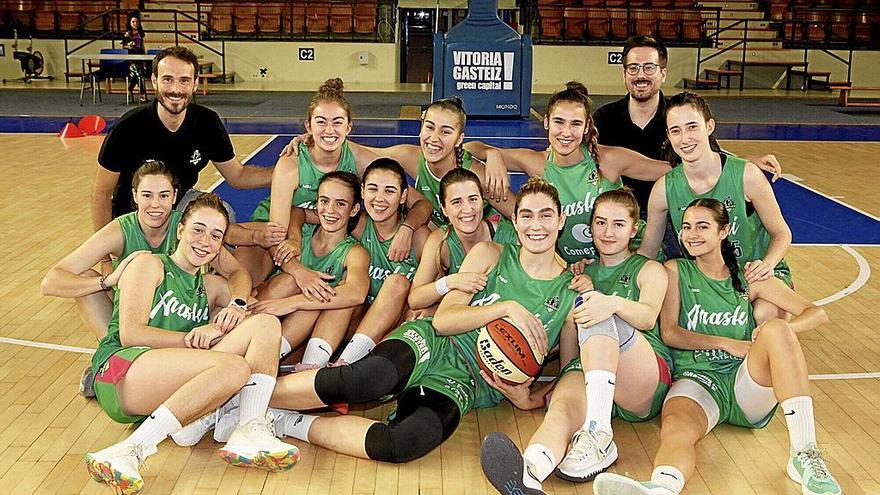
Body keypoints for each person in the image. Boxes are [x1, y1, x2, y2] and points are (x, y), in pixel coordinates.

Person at [227, 178, 577, 465]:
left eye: (546, 216)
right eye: (527, 216)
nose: (536, 226)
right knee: (370, 379)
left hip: (470, 381)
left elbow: (571, 366)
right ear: (514, 222)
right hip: (435, 341)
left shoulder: (571, 291)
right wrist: (507, 308)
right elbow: (444, 320)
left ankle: (284, 420)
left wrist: (530, 398)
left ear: (561, 221)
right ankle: (239, 398)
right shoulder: (489, 254)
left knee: (404, 444)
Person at [594, 198, 840, 495]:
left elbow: (816, 313)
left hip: (744, 382)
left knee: (776, 329)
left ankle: (804, 454)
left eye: (702, 226)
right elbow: (670, 333)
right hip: (696, 379)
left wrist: (778, 330)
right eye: (686, 227)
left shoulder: (747, 277)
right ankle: (662, 487)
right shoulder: (674, 271)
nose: (692, 234)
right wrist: (724, 342)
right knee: (675, 431)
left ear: (723, 231)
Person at [82, 193, 300, 495]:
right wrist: (192, 337)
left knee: (266, 325)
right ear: (180, 230)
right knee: (234, 368)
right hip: (120, 371)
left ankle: (249, 428)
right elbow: (131, 334)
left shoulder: (210, 287)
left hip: (167, 380)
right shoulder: (149, 264)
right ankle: (131, 448)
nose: (205, 241)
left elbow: (248, 295)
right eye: (198, 230)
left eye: (215, 236)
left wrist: (235, 306)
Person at [479, 189, 671, 493]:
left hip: (642, 378)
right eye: (600, 222)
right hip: (595, 381)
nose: (608, 232)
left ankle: (598, 434)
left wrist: (610, 302)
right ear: (589, 226)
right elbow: (571, 363)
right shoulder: (578, 276)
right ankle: (531, 472)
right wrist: (536, 397)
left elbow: (647, 317)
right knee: (562, 410)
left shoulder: (650, 269)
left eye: (619, 224)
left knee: (594, 308)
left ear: (635, 229)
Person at [41, 160, 252, 398]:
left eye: (163, 195)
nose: (155, 205)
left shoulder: (190, 229)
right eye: (147, 195)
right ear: (135, 196)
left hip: (175, 314)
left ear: (174, 197)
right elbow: (51, 282)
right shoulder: (121, 229)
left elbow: (237, 272)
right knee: (86, 280)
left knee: (223, 291)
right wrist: (106, 282)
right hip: (133, 321)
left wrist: (237, 304)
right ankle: (113, 357)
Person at [593, 35, 783, 258]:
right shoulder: (604, 118)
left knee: (683, 270)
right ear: (624, 73)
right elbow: (582, 162)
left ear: (663, 73)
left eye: (649, 67)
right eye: (633, 68)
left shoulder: (678, 116)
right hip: (623, 216)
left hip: (675, 214)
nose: (640, 75)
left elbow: (711, 159)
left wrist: (746, 164)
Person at [228, 78, 431, 286]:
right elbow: (275, 234)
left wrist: (407, 228)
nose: (329, 130)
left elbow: (421, 203)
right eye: (321, 122)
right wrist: (299, 272)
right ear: (308, 125)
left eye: (337, 122)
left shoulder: (359, 158)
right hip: (283, 230)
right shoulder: (290, 165)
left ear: (349, 127)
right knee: (245, 279)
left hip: (327, 232)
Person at [465, 81, 670, 265]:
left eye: (576, 124)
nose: (566, 133)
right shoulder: (537, 164)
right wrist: (491, 153)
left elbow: (672, 171)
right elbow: (468, 149)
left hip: (630, 258)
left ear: (587, 126)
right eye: (559, 122)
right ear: (546, 122)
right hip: (579, 269)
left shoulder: (609, 160)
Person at [638, 91, 792, 323]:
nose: (685, 138)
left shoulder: (746, 175)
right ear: (668, 136)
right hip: (707, 279)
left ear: (709, 126)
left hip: (753, 272)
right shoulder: (663, 190)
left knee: (764, 314)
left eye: (692, 127)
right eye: (676, 130)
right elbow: (648, 252)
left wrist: (767, 264)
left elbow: (782, 233)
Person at [92, 46, 273, 231]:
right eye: (168, 80)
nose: (176, 90)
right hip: (134, 214)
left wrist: (290, 171)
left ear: (195, 83)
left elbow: (238, 175)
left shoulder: (207, 122)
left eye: (184, 81)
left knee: (220, 215)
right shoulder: (128, 128)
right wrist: (106, 258)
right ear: (154, 81)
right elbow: (101, 194)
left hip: (178, 205)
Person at [281, 96, 513, 226]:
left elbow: (518, 214)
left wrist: (492, 153)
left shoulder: (479, 176)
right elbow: (354, 148)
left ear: (459, 139)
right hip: (444, 240)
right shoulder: (410, 157)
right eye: (429, 127)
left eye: (445, 132)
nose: (434, 138)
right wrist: (313, 137)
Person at [250, 171, 371, 369]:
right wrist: (298, 264)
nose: (330, 210)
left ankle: (264, 360)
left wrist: (292, 303)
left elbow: (357, 293)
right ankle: (239, 340)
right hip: (263, 314)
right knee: (290, 281)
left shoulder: (354, 252)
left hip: (295, 339)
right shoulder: (301, 232)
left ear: (354, 209)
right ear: (316, 203)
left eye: (340, 203)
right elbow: (296, 211)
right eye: (324, 201)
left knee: (320, 298)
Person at [407, 167, 517, 320]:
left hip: (502, 320)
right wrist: (450, 282)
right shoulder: (441, 239)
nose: (467, 209)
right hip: (464, 320)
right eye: (456, 202)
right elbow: (415, 299)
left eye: (473, 199)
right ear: (444, 209)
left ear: (483, 202)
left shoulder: (508, 235)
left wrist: (437, 309)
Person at [122, 11, 148, 104]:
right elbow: (124, 46)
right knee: (138, 73)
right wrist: (129, 46)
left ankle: (131, 90)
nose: (135, 24)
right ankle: (141, 93)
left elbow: (142, 44)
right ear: (130, 23)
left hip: (140, 54)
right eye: (133, 22)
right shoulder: (127, 33)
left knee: (140, 74)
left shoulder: (140, 32)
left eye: (137, 22)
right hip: (132, 56)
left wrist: (144, 55)